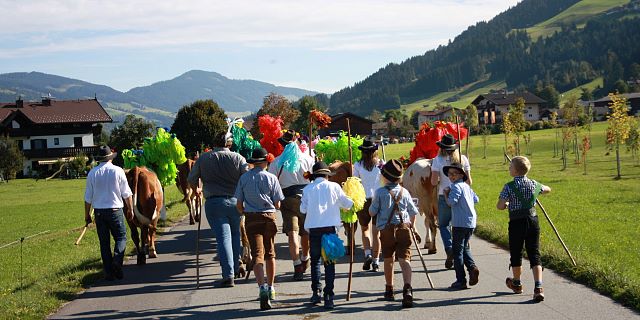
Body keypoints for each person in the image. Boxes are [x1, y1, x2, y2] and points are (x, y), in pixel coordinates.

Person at [188, 131, 249, 287]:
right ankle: (235, 267)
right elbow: (247, 177)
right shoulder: (238, 158)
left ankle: (228, 274)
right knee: (236, 235)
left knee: (223, 237)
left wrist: (196, 190)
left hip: (214, 203)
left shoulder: (204, 158)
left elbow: (191, 179)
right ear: (229, 143)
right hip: (236, 202)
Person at [235, 148, 284, 310]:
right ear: (264, 162)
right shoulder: (271, 178)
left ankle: (261, 287)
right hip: (269, 216)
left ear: (253, 162)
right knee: (270, 253)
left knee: (257, 255)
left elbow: (239, 205)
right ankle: (270, 287)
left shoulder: (244, 178)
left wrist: (246, 211)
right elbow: (278, 204)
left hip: (252, 217)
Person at [496, 156, 551, 302]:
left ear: (515, 170)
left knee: (516, 252)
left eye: (510, 167)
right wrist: (536, 193)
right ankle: (538, 287)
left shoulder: (508, 187)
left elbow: (500, 206)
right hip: (533, 221)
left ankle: (517, 283)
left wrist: (507, 204)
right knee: (534, 253)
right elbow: (547, 189)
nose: (509, 168)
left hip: (516, 223)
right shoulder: (533, 184)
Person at [300, 161, 354, 309]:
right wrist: (354, 199)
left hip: (314, 231)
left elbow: (303, 210)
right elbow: (347, 204)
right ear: (327, 175)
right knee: (329, 263)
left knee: (315, 262)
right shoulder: (334, 187)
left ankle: (316, 292)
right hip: (330, 230)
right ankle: (329, 295)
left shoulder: (307, 189)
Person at [370, 159, 420, 308]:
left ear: (384, 177)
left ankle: (389, 289)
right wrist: (414, 227)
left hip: (387, 230)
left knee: (388, 259)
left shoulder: (379, 192)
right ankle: (408, 289)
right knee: (405, 259)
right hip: (404, 228)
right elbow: (413, 212)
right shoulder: (405, 192)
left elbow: (372, 211)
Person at [268, 130, 314, 281]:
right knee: (305, 232)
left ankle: (297, 264)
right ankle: (305, 257)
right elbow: (312, 179)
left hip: (287, 199)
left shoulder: (276, 162)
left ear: (283, 145)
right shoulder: (307, 159)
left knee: (292, 232)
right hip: (305, 197)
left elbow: (272, 183)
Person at [84, 145, 134, 281]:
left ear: (99, 159)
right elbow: (126, 193)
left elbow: (88, 197)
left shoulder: (92, 173)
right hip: (115, 210)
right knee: (121, 238)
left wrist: (87, 215)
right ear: (110, 158)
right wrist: (130, 209)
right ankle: (117, 261)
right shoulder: (118, 171)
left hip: (99, 212)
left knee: (104, 242)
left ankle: (108, 272)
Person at [430, 133, 472, 269]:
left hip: (445, 196)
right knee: (459, 226)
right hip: (462, 197)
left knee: (443, 225)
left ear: (441, 147)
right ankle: (463, 254)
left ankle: (449, 248)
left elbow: (433, 181)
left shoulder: (437, 160)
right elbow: (469, 181)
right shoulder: (463, 158)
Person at [443, 163, 480, 290]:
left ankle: (461, 280)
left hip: (459, 222)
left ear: (461, 175)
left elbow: (451, 203)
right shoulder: (467, 187)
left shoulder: (455, 187)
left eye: (454, 174)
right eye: (450, 174)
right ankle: (472, 268)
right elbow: (476, 199)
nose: (451, 176)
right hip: (470, 222)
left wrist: (446, 194)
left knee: (457, 251)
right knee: (464, 248)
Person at [353, 139, 383, 271]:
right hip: (378, 199)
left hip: (363, 199)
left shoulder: (358, 165)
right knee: (376, 233)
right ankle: (376, 261)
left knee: (365, 229)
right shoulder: (381, 164)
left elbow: (355, 182)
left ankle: (367, 254)